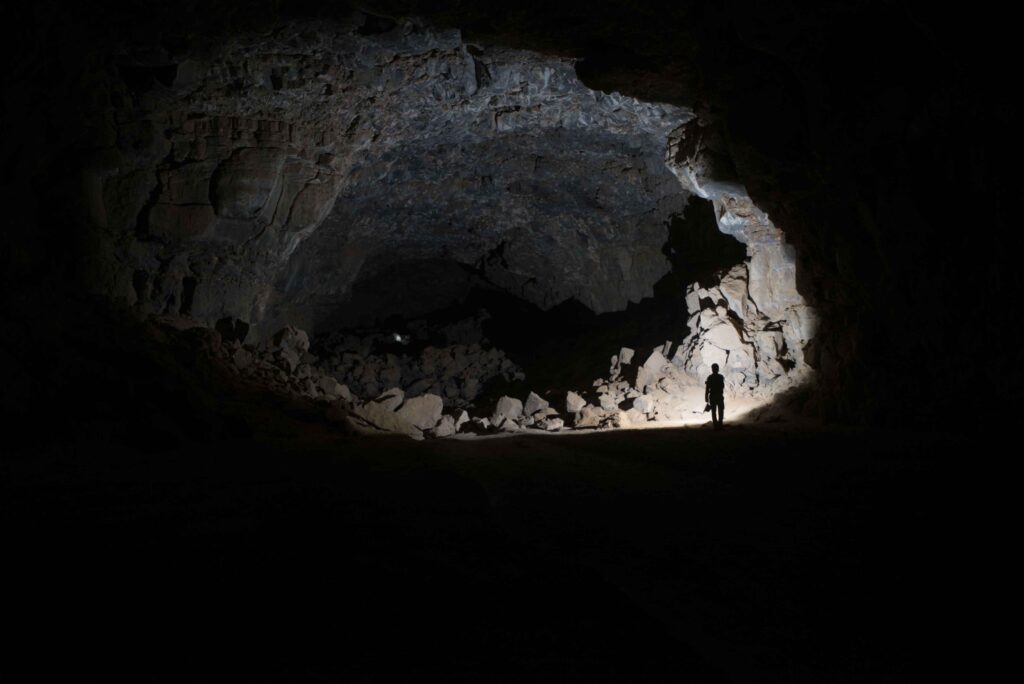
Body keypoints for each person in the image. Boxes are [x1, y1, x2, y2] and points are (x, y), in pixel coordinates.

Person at [705, 363, 725, 429]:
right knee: (720, 410)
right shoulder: (721, 377)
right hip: (719, 395)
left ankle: (715, 425)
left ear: (712, 369)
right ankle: (720, 424)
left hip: (713, 396)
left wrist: (706, 397)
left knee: (714, 411)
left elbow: (707, 388)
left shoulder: (710, 377)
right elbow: (722, 386)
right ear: (718, 369)